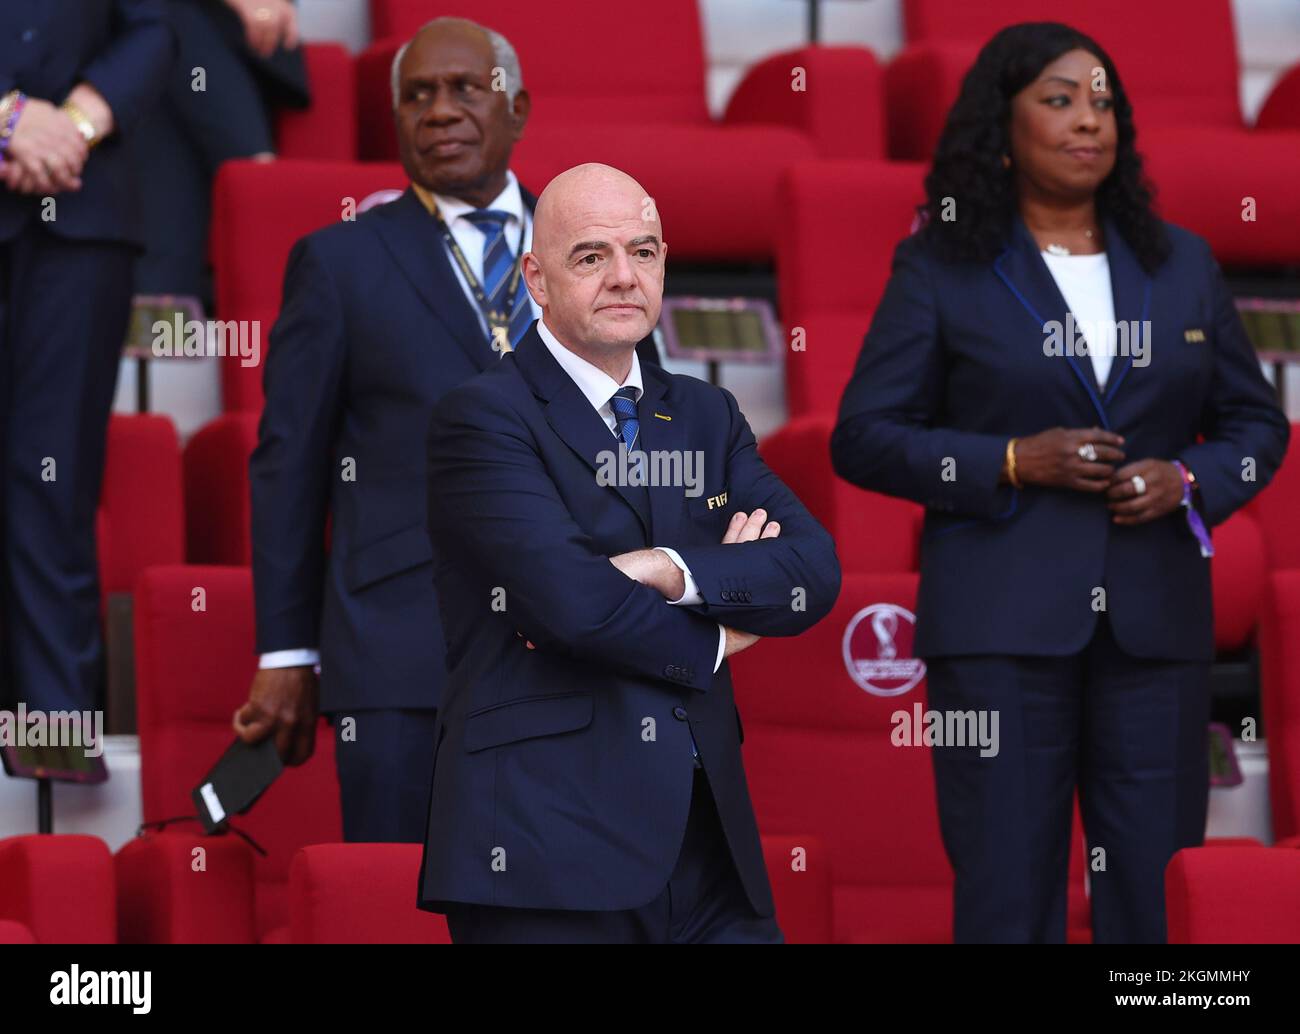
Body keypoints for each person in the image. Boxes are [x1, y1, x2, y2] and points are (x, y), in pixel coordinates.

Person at [831, 23, 1290, 944]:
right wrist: (1009, 460)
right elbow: (865, 439)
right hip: (1001, 626)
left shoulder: (1182, 263)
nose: (1090, 120)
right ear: (1001, 129)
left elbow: (1258, 427)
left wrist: (1188, 478)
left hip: (1155, 625)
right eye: (1060, 100)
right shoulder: (942, 266)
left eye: (1103, 101)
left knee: (1154, 899)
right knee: (1007, 891)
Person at [232, 19, 659, 843]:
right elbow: (290, 465)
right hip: (399, 657)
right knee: (399, 910)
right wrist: (287, 652)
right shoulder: (338, 263)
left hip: (577, 651)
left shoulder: (599, 255)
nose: (440, 110)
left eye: (467, 89)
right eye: (418, 95)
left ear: (519, 108)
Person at [418, 162, 841, 944]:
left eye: (643, 252)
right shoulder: (482, 418)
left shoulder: (707, 414)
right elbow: (570, 606)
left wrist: (664, 571)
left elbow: (813, 570)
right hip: (544, 846)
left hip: (710, 848)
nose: (623, 276)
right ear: (535, 280)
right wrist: (720, 628)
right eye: (591, 257)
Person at [0, 1, 172, 713]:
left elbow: (153, 28)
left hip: (80, 208)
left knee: (55, 475)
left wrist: (66, 130)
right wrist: (10, 119)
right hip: (66, 184)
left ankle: (54, 725)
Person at [132, 0, 309, 303]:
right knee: (161, 41)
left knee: (163, 30)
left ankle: (161, 321)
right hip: (179, 54)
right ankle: (255, 177)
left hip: (237, 45)